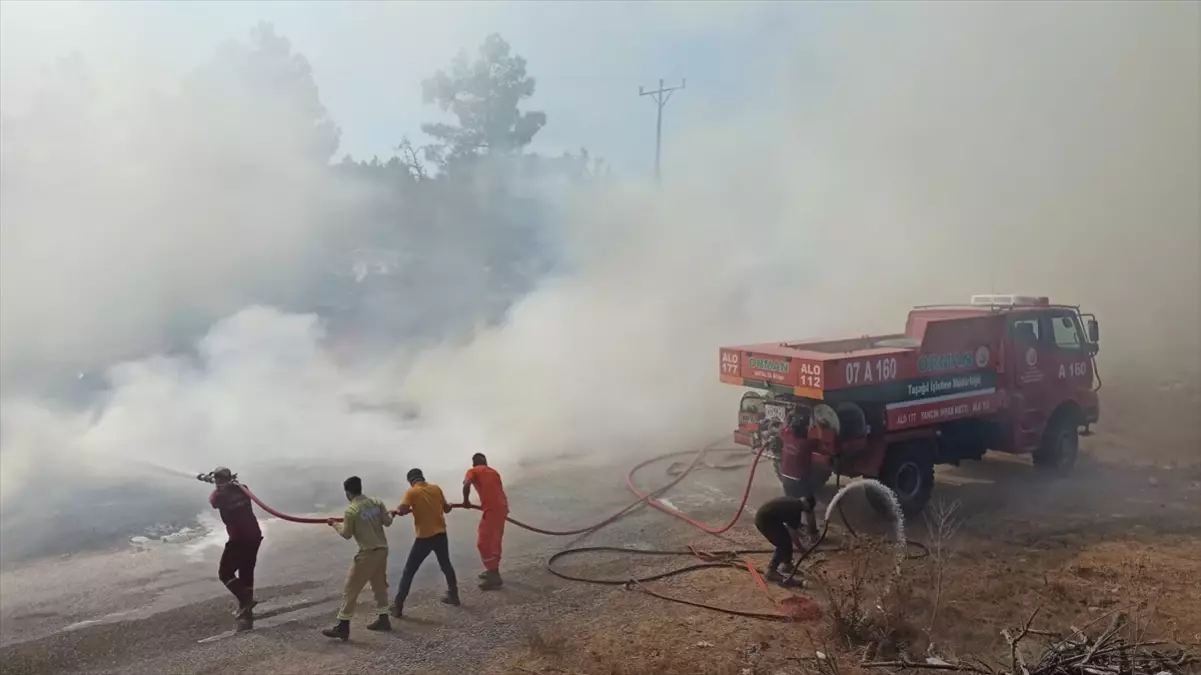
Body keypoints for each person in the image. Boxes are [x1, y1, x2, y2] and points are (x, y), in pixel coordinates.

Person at [322, 476, 394, 641]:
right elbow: (388, 522)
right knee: (379, 585)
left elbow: (346, 534)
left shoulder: (351, 510)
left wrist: (334, 524)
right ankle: (384, 619)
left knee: (351, 589)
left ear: (348, 493)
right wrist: (391, 514)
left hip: (367, 554)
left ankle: (343, 625)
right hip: (382, 550)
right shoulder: (377, 502)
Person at [391, 468, 460, 617]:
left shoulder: (412, 492)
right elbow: (447, 509)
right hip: (441, 534)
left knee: (409, 571)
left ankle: (398, 606)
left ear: (411, 481)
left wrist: (397, 511)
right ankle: (454, 596)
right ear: (422, 477)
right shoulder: (436, 488)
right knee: (446, 565)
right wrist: (449, 506)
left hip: (424, 537)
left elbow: (402, 510)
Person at [208, 466, 262, 626]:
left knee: (225, 573)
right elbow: (239, 489)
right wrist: (230, 483)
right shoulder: (243, 489)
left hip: (238, 539)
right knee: (246, 570)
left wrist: (218, 487)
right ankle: (246, 608)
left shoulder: (219, 496)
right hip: (254, 536)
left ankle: (246, 600)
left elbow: (213, 501)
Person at [461, 453, 509, 590]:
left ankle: (494, 575)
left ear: (474, 463)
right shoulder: (494, 472)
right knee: (495, 541)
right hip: (502, 508)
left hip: (492, 511)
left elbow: (466, 484)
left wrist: (466, 502)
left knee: (483, 543)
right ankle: (493, 570)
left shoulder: (473, 471)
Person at [778, 410, 822, 541]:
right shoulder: (807, 444)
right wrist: (815, 422)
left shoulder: (787, 436)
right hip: (800, 480)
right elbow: (820, 437)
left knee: (791, 505)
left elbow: (783, 427)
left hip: (785, 478)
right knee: (808, 505)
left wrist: (789, 414)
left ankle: (792, 532)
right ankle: (813, 534)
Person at [753, 495, 816, 584]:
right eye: (808, 508)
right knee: (782, 543)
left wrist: (802, 536)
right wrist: (801, 549)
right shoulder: (796, 509)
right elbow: (793, 534)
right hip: (765, 520)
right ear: (807, 504)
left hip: (769, 518)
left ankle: (787, 565)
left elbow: (793, 528)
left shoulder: (794, 501)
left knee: (786, 538)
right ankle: (771, 571)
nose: (806, 511)